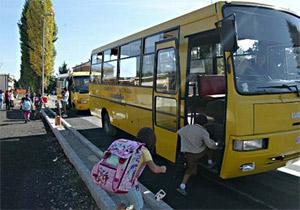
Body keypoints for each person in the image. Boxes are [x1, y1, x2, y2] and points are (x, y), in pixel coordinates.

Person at [113, 128, 166, 210]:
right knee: (139, 205)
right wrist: (162, 168)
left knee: (125, 202)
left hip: (116, 177)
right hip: (127, 181)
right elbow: (155, 169)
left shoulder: (131, 144)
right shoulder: (144, 151)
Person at [176, 114, 220, 196]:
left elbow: (179, 132)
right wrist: (217, 145)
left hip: (187, 154)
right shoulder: (203, 132)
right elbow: (210, 145)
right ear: (204, 123)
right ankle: (210, 162)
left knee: (190, 170)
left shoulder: (187, 128)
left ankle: (182, 186)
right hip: (197, 153)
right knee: (208, 148)